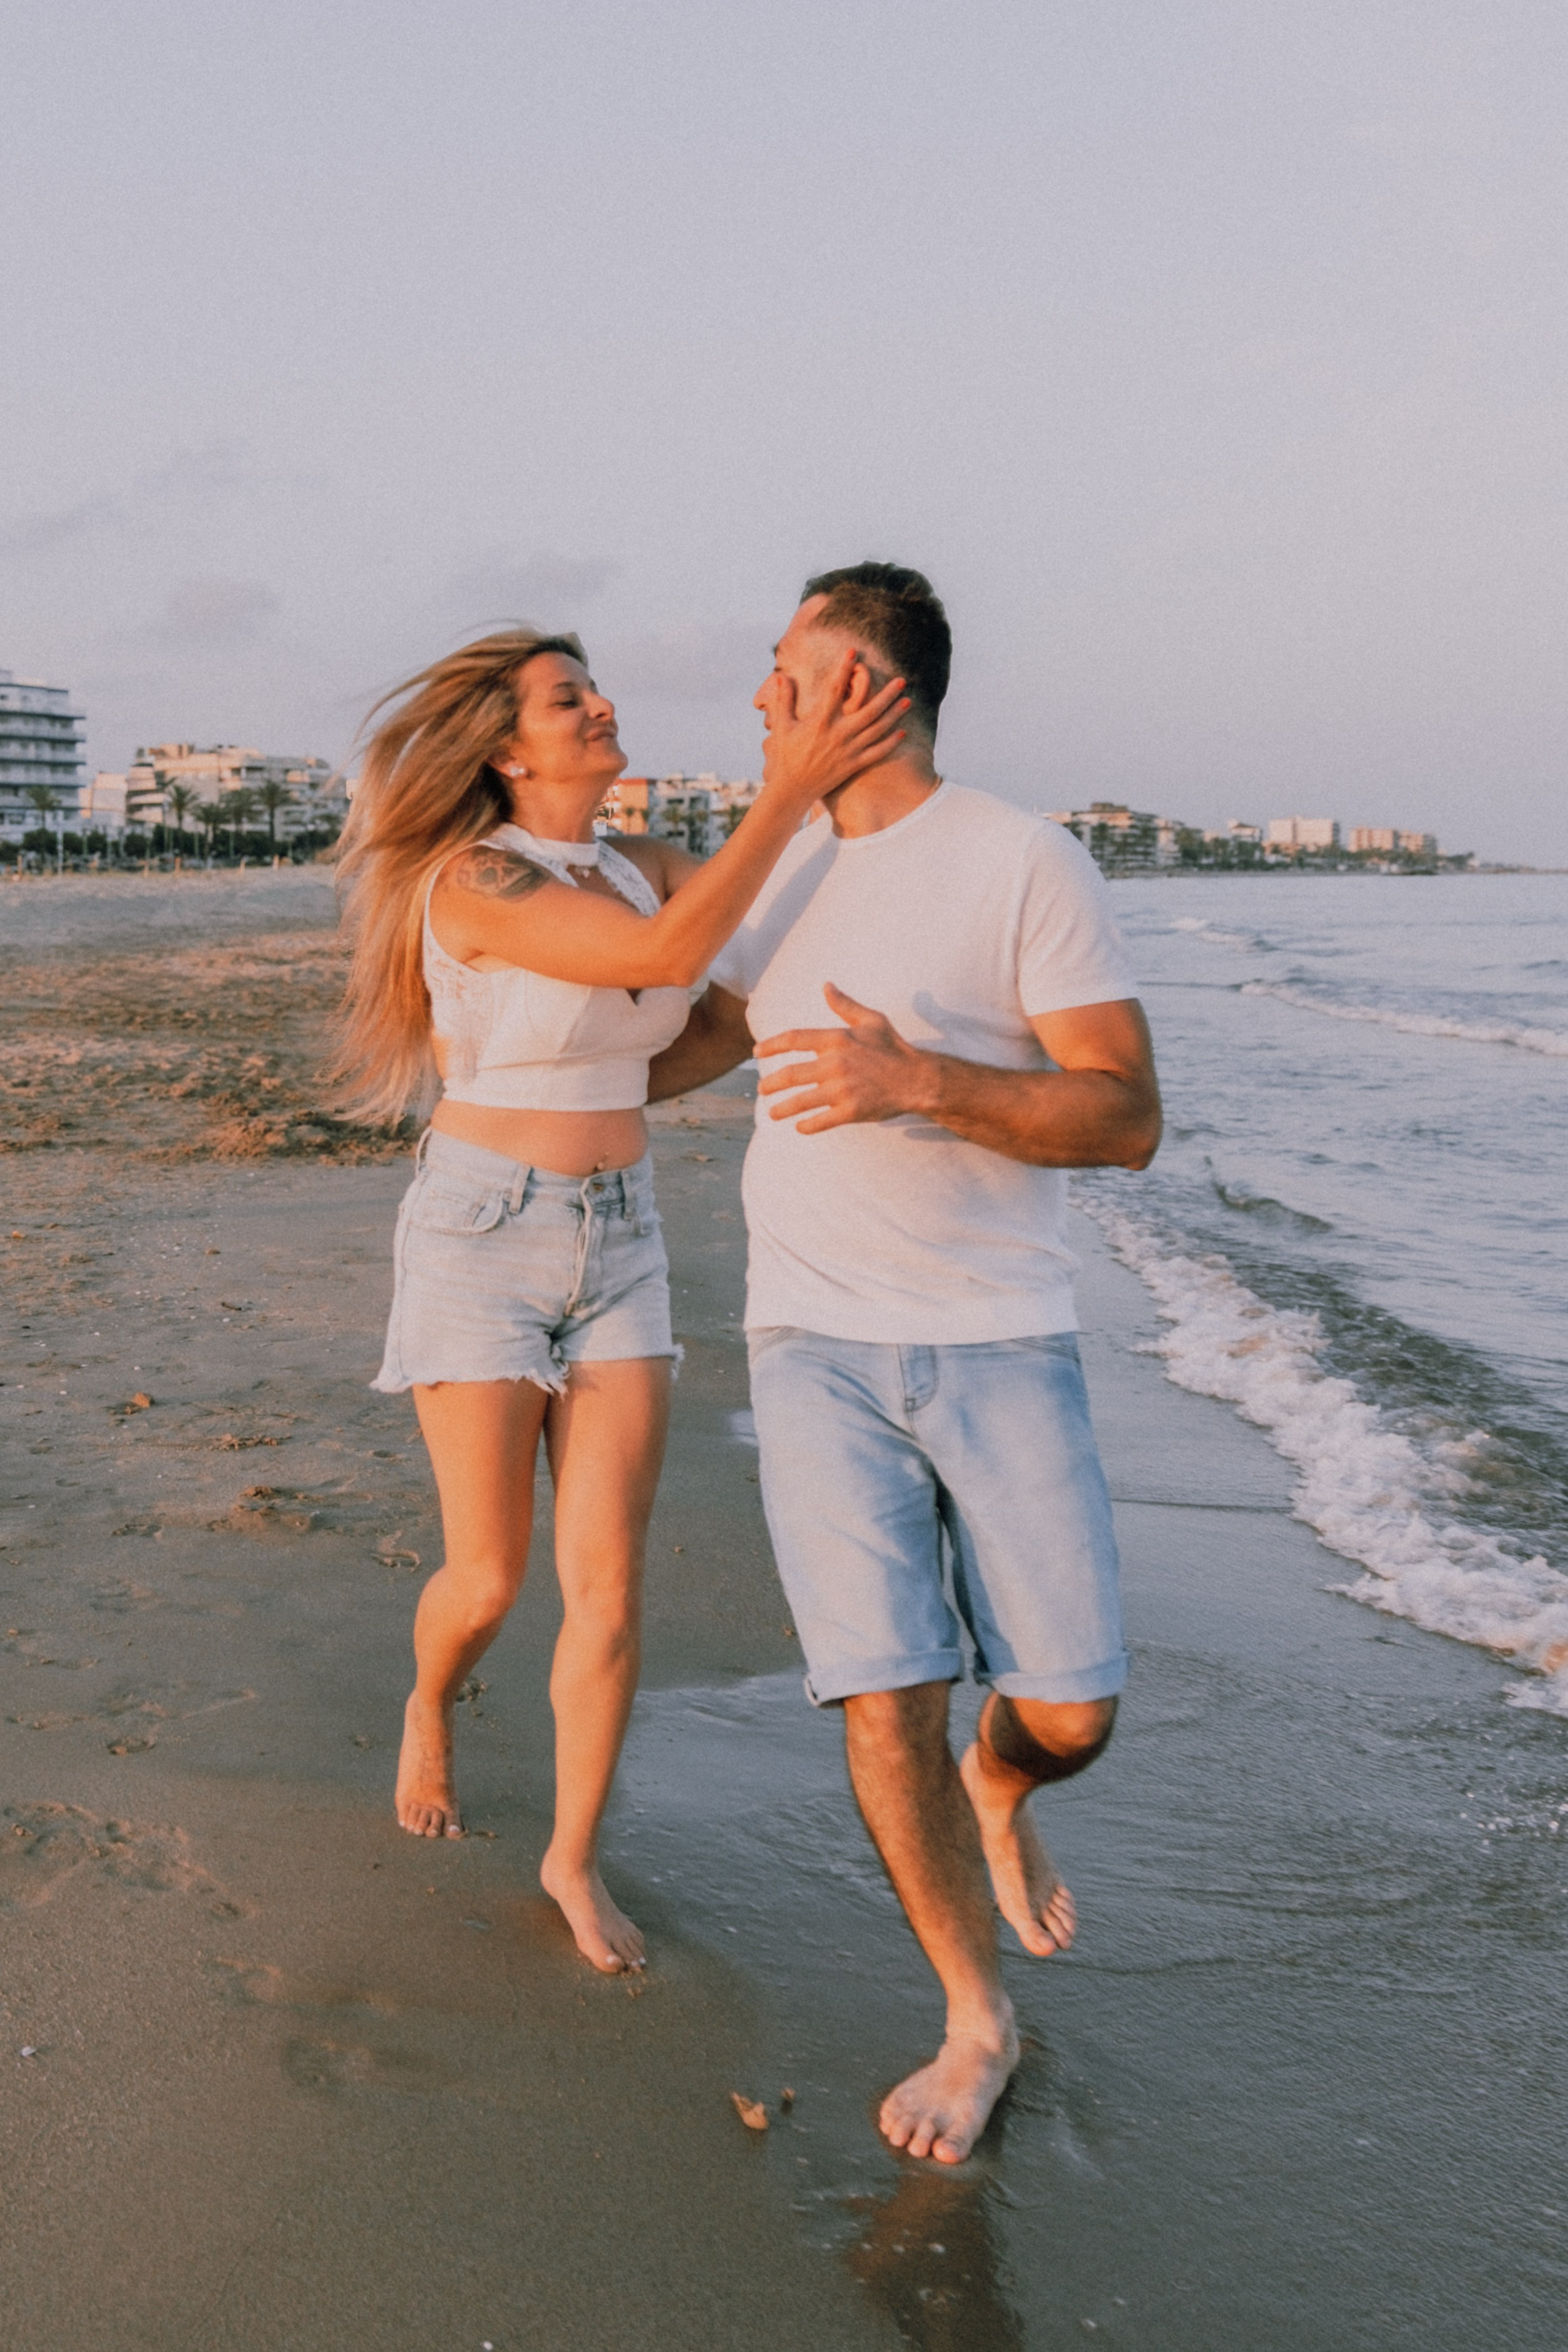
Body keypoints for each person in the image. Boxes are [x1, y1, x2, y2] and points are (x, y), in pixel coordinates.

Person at [647, 563, 1161, 2150]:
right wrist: (510, 1082)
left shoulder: (1020, 860)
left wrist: (919, 1080)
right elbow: (697, 1041)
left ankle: (1001, 1790)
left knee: (1068, 1713)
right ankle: (971, 2016)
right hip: (808, 1342)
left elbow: (1124, 1115)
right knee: (883, 1702)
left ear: (868, 689)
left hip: (995, 1334)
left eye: (785, 669)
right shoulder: (779, 868)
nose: (760, 695)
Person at [334, 624, 907, 1972]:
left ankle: (572, 1857)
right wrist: (787, 783)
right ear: (504, 748)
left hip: (623, 1235)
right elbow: (665, 954)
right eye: (565, 698)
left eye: (592, 690)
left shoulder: (646, 862)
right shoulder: (475, 877)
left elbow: (732, 992)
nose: (598, 708)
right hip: (481, 1234)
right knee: (488, 1576)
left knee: (606, 1586)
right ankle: (430, 1700)